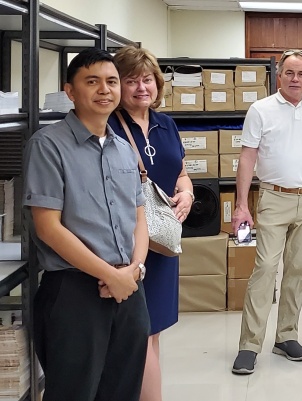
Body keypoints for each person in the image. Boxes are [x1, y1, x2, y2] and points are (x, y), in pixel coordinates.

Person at [23, 48, 150, 401]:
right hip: (74, 292)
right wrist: (111, 276)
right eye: (91, 82)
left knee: (123, 389)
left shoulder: (124, 148)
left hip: (129, 289)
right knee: (74, 392)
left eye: (111, 81)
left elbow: (139, 215)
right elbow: (48, 227)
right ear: (70, 91)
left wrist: (133, 271)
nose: (104, 90)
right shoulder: (48, 146)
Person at [231, 49, 302, 375]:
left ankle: (286, 336)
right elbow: (247, 158)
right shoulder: (260, 110)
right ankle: (249, 345)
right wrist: (241, 205)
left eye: (301, 73)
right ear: (279, 75)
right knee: (264, 269)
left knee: (297, 270)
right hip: (274, 198)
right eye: (289, 72)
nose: (295, 79)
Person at [107, 45, 193, 401]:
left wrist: (187, 192)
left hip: (164, 238)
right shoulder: (108, 125)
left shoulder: (166, 123)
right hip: (127, 243)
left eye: (147, 80)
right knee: (138, 334)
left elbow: (181, 171)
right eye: (131, 81)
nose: (141, 88)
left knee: (153, 331)